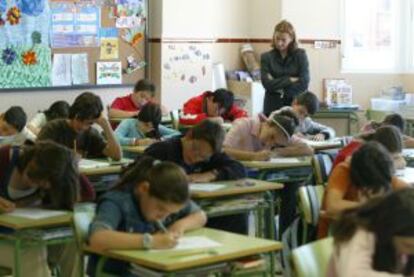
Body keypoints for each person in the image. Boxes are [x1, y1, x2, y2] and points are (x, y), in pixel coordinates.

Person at [88, 157, 207, 276]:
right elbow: (98, 238)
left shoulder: (169, 200)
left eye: (172, 213)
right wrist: (151, 241)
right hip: (115, 272)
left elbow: (200, 216)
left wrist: (178, 227)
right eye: (161, 209)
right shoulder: (116, 202)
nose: (164, 216)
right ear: (144, 189)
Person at [144, 120, 247, 234]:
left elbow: (239, 168)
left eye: (203, 157)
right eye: (194, 149)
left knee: (234, 214)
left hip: (196, 206)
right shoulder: (163, 150)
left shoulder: (210, 153)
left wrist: (210, 175)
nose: (195, 158)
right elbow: (138, 173)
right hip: (166, 207)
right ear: (189, 136)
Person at [0, 141, 80, 277]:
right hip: (6, 235)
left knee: (74, 241)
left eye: (43, 184)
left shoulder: (59, 167)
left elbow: (88, 192)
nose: (32, 184)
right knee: (33, 249)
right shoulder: (5, 157)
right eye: (32, 177)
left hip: (31, 230)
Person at [318, 142, 409, 238]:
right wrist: (376, 206)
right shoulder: (344, 170)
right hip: (335, 236)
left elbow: (409, 197)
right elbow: (333, 206)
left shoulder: (382, 173)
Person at [329, 188, 414, 276]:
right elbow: (352, 274)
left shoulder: (401, 238)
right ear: (388, 231)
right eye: (408, 245)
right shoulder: (361, 233)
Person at [38, 92, 122, 161]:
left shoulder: (91, 133)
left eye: (89, 123)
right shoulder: (52, 128)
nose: (82, 127)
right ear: (74, 113)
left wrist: (106, 125)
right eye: (80, 120)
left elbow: (117, 156)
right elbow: (38, 156)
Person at [223, 108, 313, 161]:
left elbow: (308, 150)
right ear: (267, 123)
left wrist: (277, 152)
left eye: (276, 144)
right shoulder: (243, 124)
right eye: (271, 137)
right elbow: (223, 150)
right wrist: (253, 156)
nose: (269, 143)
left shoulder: (281, 136)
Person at [261, 20, 310, 116]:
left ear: (291, 38)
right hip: (272, 105)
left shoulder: (300, 55)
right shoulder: (266, 57)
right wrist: (290, 79)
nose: (279, 43)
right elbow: (266, 83)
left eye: (283, 40)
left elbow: (304, 82)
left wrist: (280, 89)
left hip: (294, 104)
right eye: (277, 38)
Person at [333, 125, 406, 169]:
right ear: (382, 147)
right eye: (389, 156)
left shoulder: (373, 146)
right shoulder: (359, 149)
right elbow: (349, 162)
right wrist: (389, 165)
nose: (390, 158)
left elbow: (401, 161)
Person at [115, 103, 180, 147]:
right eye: (146, 125)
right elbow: (115, 138)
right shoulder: (128, 123)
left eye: (151, 127)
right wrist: (136, 142)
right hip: (127, 159)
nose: (148, 129)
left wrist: (161, 140)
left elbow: (177, 134)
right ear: (139, 118)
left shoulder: (155, 126)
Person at [179, 89, 247, 126]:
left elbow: (242, 114)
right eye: (216, 109)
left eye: (220, 113)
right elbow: (183, 118)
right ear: (211, 98)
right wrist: (209, 119)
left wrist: (236, 123)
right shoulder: (195, 102)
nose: (216, 114)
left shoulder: (224, 104)